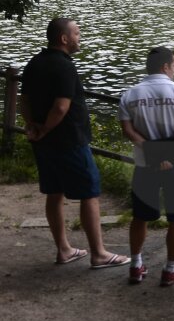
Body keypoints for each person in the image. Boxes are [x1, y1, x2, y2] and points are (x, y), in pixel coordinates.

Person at [20, 19, 130, 270]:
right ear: (64, 39)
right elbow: (61, 107)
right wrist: (46, 127)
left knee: (54, 193)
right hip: (69, 141)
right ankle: (99, 254)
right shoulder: (64, 67)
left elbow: (23, 100)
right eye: (77, 33)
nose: (80, 37)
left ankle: (64, 249)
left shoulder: (34, 63)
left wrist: (34, 127)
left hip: (44, 142)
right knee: (90, 194)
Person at [118, 47, 174, 287]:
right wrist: (166, 156)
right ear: (165, 67)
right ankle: (169, 270)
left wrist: (153, 154)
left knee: (140, 217)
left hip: (145, 165)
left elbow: (128, 131)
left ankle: (135, 265)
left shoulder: (130, 94)